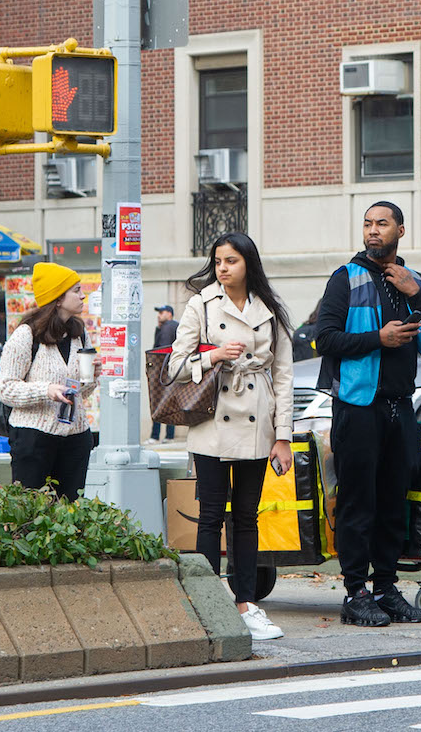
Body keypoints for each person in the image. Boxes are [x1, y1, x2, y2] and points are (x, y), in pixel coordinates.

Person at [314, 201, 421, 627]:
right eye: (368, 224)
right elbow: (325, 339)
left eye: (382, 224)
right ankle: (355, 592)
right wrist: (379, 338)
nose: (373, 231)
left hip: (400, 406)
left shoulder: (416, 280)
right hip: (357, 406)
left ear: (400, 231)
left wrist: (417, 294)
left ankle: (386, 588)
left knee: (394, 501)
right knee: (359, 502)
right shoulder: (345, 278)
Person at [168, 232, 294, 644]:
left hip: (257, 422)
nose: (223, 268)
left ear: (249, 264)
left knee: (246, 516)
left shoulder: (271, 309)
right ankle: (208, 602)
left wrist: (284, 437)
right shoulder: (201, 304)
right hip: (213, 423)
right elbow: (173, 366)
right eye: (218, 261)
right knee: (209, 515)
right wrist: (214, 356)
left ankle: (245, 603)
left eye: (232, 261)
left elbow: (284, 377)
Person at [0, 262, 98, 498]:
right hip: (34, 439)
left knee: (71, 515)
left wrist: (92, 375)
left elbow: (82, 391)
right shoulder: (26, 335)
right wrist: (46, 390)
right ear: (58, 298)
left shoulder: (79, 334)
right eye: (76, 290)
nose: (83, 295)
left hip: (76, 437)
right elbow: (6, 389)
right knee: (31, 514)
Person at [150, 304, 180, 442]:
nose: (159, 315)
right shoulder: (171, 326)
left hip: (164, 371)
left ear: (169, 314)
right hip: (171, 371)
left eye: (162, 312)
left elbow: (161, 349)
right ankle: (169, 436)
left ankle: (156, 436)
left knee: (158, 402)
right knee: (170, 403)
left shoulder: (168, 327)